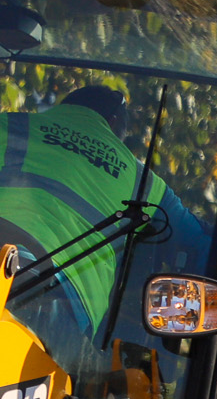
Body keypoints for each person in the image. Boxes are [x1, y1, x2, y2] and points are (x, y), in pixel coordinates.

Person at [0, 85, 206, 357]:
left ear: (66, 107)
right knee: (104, 387)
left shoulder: (11, 124)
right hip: (56, 305)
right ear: (114, 123)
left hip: (4, 262)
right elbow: (202, 246)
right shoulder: (146, 183)